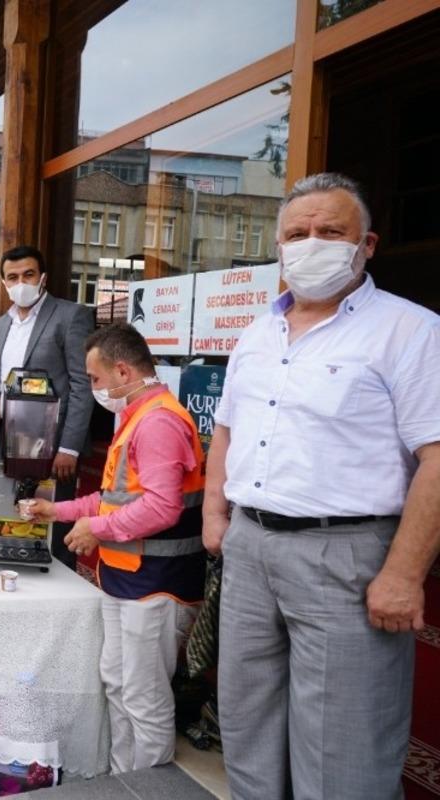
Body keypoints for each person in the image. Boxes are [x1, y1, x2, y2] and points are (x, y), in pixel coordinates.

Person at [205, 173, 440, 800]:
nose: (311, 244)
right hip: (251, 547)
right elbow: (226, 430)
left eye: (330, 232)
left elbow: (438, 457)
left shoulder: (409, 330)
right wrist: (215, 518)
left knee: (344, 748)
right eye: (297, 234)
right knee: (248, 724)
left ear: (366, 245)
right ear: (279, 247)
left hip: (348, 555)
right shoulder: (256, 334)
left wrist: (404, 573)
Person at [21, 323, 205, 773]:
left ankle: (146, 784)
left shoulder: (158, 421)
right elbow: (112, 499)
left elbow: (163, 507)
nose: (95, 390)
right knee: (119, 685)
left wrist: (97, 529)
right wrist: (56, 510)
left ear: (122, 370)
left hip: (156, 583)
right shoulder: (136, 417)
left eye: (96, 380)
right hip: (124, 577)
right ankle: (123, 778)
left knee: (144, 695)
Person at [0, 245, 94, 568]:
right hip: (9, 446)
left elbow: (83, 384)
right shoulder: (2, 325)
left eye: (28, 274)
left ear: (43, 277)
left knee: (53, 529)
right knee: (15, 523)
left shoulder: (70, 316)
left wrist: (70, 448)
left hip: (53, 449)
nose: (20, 282)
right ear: (4, 283)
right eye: (12, 277)